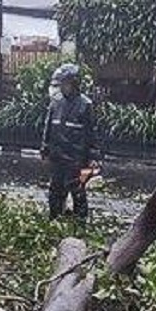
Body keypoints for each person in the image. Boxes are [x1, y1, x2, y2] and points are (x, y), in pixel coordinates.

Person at [40, 63, 98, 220]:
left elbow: (91, 134)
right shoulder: (56, 102)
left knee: (77, 191)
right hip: (57, 155)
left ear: (74, 83)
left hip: (75, 158)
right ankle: (54, 219)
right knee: (55, 191)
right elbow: (49, 126)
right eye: (61, 84)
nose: (62, 88)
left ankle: (80, 222)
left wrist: (92, 158)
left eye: (65, 84)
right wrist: (45, 148)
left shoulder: (85, 105)